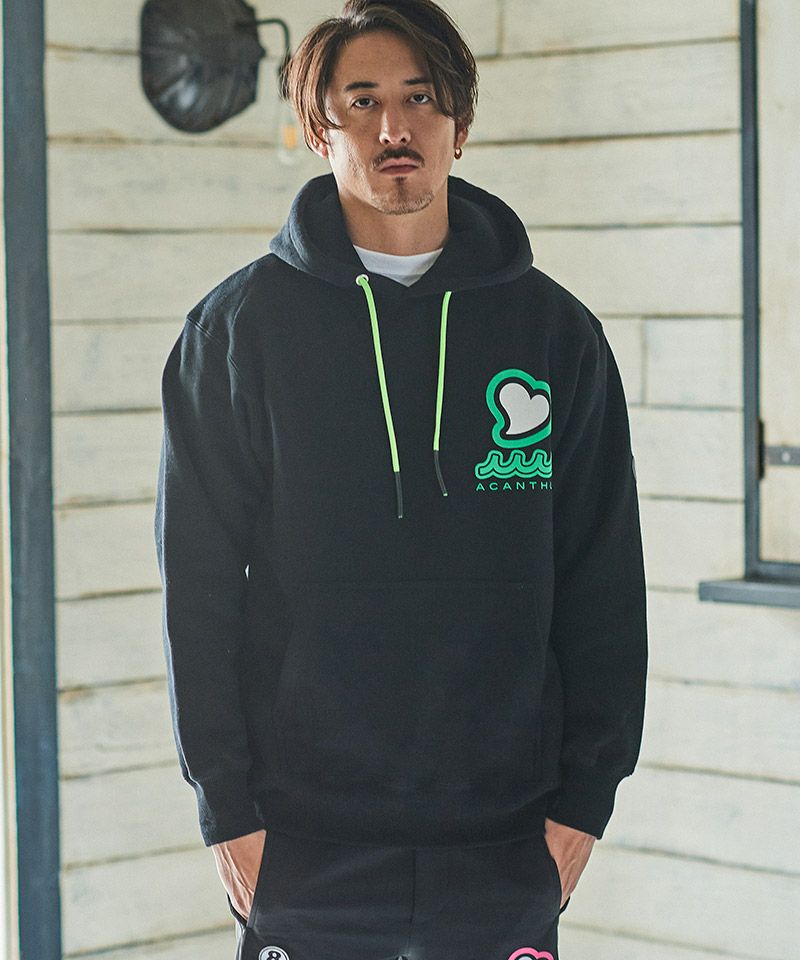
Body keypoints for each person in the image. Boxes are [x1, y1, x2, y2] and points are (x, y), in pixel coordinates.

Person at [154, 1, 648, 957]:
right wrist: (227, 811)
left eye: (422, 98)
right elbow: (198, 593)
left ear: (459, 123)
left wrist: (586, 801)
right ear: (318, 129)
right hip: (302, 839)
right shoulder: (236, 334)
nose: (395, 127)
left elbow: (604, 577)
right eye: (362, 100)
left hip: (508, 838)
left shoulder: (556, 335)